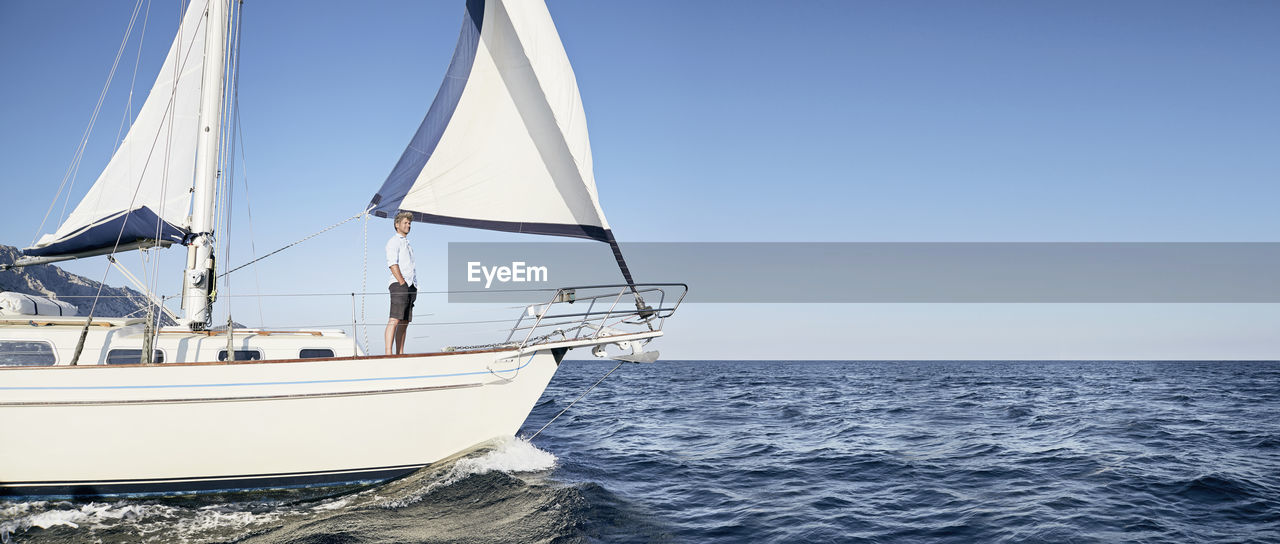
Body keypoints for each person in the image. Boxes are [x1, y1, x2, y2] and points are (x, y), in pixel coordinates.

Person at [385, 211, 416, 355]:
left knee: (405, 321)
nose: (408, 225)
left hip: (411, 286)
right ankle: (388, 354)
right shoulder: (394, 241)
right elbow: (392, 263)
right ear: (397, 225)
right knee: (395, 319)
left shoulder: (407, 244)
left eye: (409, 223)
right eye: (405, 223)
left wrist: (412, 285)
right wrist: (402, 282)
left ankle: (400, 353)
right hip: (399, 284)